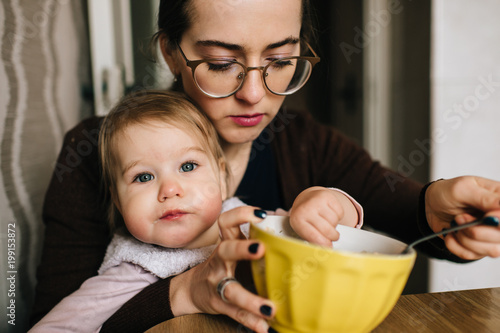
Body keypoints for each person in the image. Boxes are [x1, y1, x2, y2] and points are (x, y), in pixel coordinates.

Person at [30, 1, 500, 332]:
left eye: (280, 60)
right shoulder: (95, 151)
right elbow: (60, 319)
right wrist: (185, 291)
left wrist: (434, 209)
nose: (254, 93)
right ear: (171, 52)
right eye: (220, 62)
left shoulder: (302, 141)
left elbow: (395, 206)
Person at [30, 91, 363, 332]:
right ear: (118, 202)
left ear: (221, 175)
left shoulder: (250, 223)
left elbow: (324, 238)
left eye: (188, 166)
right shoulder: (132, 269)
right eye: (143, 176)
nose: (170, 189)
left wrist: (327, 202)